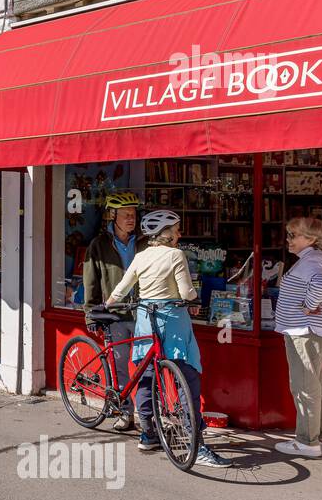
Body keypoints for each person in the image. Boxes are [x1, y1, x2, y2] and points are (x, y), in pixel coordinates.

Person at [107, 210, 230, 468]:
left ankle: (148, 432)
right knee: (186, 376)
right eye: (176, 229)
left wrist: (108, 304)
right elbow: (185, 291)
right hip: (172, 320)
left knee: (147, 375)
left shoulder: (141, 256)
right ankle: (195, 442)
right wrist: (194, 300)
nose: (180, 233)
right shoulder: (176, 255)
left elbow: (122, 288)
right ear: (166, 233)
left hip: (145, 319)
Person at [273, 216, 322, 458]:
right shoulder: (318, 258)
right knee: (317, 386)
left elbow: (321, 285)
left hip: (305, 332)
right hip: (318, 332)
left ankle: (307, 442)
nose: (288, 240)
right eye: (289, 234)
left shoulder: (311, 261)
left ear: (311, 239)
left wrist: (308, 305)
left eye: (294, 235)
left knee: (304, 388)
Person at [83, 191, 142, 431]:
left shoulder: (144, 242)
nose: (131, 218)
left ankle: (148, 416)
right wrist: (90, 313)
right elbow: (91, 281)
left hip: (141, 313)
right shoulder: (99, 245)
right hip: (115, 315)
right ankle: (125, 414)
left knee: (145, 366)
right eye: (126, 214)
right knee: (120, 369)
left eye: (134, 214)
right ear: (113, 216)